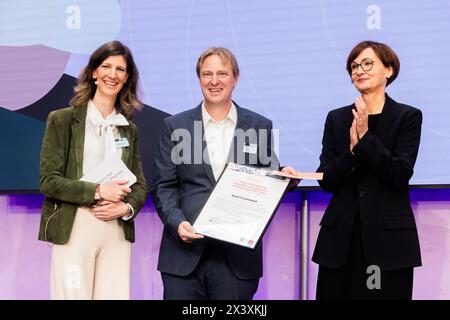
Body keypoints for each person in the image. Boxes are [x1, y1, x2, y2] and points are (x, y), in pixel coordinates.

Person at [151, 47, 297, 300]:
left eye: (222, 73)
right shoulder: (175, 126)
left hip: (237, 260)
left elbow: (267, 176)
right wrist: (178, 224)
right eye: (207, 74)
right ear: (199, 80)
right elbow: (164, 185)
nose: (214, 81)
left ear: (235, 78)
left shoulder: (260, 125)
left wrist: (285, 177)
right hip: (183, 257)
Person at [38, 40, 148, 299]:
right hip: (75, 224)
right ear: (94, 73)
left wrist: (126, 207)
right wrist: (98, 190)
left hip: (116, 229)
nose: (113, 74)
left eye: (121, 69)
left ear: (127, 78)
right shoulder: (63, 120)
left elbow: (140, 185)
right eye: (106, 66)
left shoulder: (128, 129)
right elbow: (49, 181)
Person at [312, 40, 422, 299]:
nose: (358, 70)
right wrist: (351, 152)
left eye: (367, 63)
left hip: (388, 244)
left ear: (389, 70)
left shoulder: (408, 116)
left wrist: (364, 141)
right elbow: (326, 179)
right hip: (340, 244)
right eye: (354, 66)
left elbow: (399, 174)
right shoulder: (337, 118)